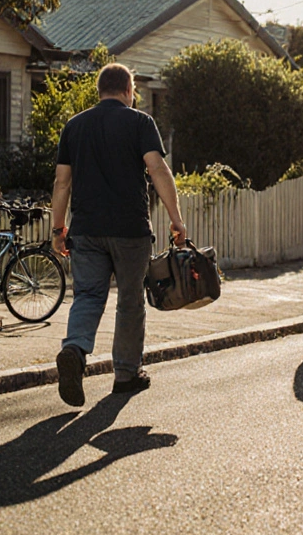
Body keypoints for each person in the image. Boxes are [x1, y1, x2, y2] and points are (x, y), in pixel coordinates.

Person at [50, 62, 187, 407]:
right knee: (129, 300)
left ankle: (75, 350)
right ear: (129, 90)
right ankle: (126, 375)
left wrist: (57, 229)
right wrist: (176, 220)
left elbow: (62, 182)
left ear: (100, 90)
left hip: (86, 229)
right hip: (130, 230)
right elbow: (157, 168)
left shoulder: (74, 126)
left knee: (88, 296)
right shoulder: (140, 122)